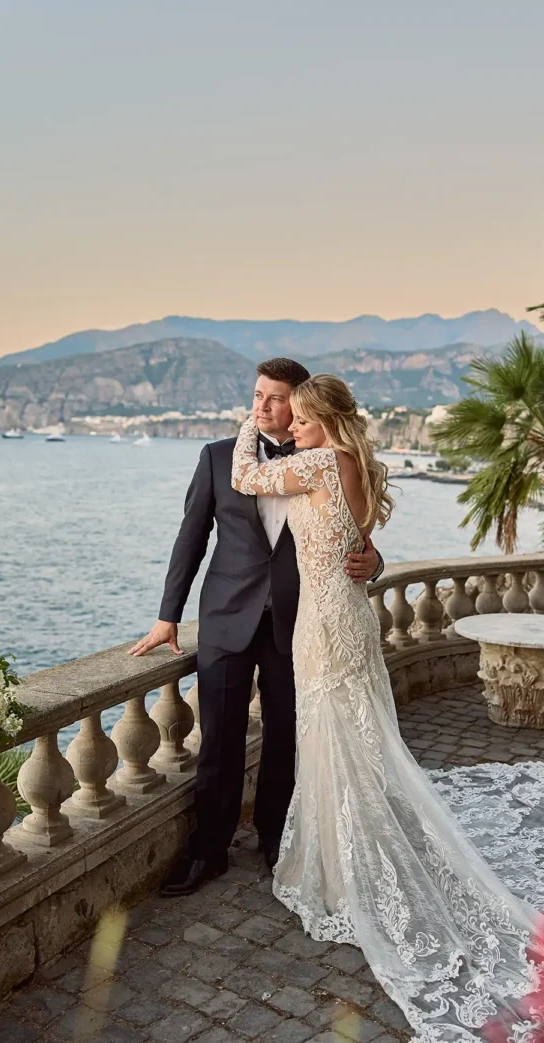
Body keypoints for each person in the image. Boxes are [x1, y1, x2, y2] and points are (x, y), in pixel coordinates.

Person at [229, 372, 544, 1043]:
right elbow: (359, 543)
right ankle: (344, 844)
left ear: (323, 422)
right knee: (353, 734)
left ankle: (344, 863)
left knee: (336, 734)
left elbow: (252, 475)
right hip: (346, 616)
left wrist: (246, 424)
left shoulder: (317, 460)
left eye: (306, 421)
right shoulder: (361, 468)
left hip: (324, 624)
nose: (297, 429)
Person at [129, 358, 383, 895]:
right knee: (217, 739)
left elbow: (351, 535)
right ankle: (208, 851)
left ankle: (278, 841)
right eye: (256, 395)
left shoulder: (322, 460)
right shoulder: (217, 457)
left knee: (288, 737)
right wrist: (167, 615)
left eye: (274, 398)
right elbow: (190, 538)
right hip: (226, 618)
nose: (262, 406)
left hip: (300, 622)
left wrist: (374, 562)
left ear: (301, 405)